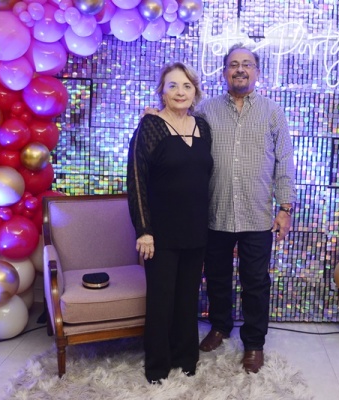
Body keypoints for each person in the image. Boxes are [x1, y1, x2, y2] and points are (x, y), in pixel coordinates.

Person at [196, 44, 296, 374]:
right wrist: (155, 117)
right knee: (217, 278)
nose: (240, 69)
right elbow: (184, 141)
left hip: (257, 214)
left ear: (257, 72)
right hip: (216, 211)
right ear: (224, 72)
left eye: (247, 64)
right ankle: (220, 326)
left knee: (255, 282)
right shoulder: (206, 110)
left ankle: (254, 343)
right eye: (234, 64)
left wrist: (285, 208)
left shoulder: (272, 112)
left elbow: (284, 161)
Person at [127, 62, 213, 384]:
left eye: (187, 86)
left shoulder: (203, 127)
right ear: (162, 91)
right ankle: (157, 366)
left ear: (195, 92)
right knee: (161, 299)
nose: (180, 92)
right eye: (172, 85)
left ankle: (186, 357)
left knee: (188, 297)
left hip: (196, 228)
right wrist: (144, 231)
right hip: (159, 233)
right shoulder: (150, 126)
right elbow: (136, 181)